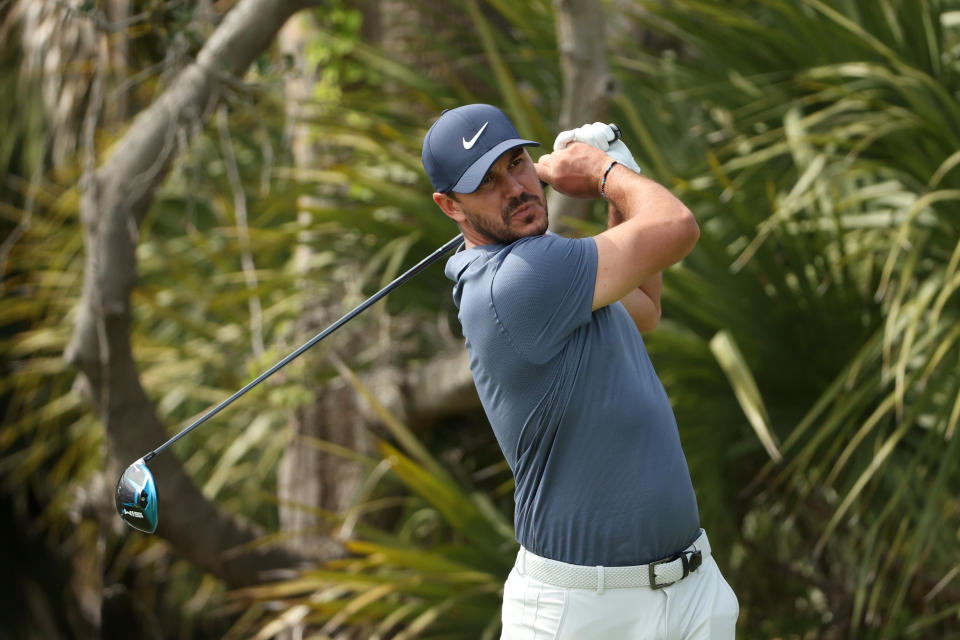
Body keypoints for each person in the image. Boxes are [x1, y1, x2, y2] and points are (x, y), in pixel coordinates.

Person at [422, 103, 739, 639]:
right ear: (450, 206)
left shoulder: (548, 265)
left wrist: (616, 183)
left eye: (517, 163)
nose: (516, 188)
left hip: (689, 592)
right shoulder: (519, 280)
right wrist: (606, 173)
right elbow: (677, 227)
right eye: (488, 182)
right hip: (584, 613)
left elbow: (643, 305)